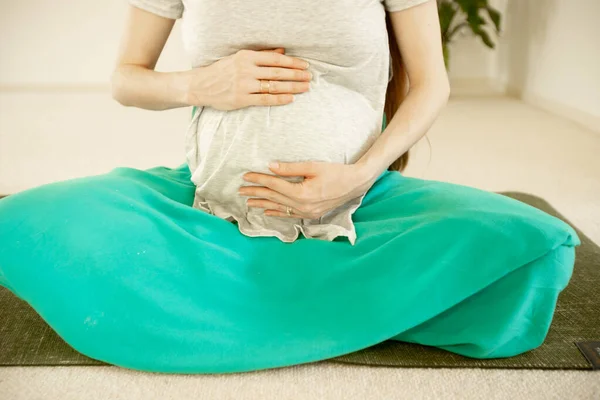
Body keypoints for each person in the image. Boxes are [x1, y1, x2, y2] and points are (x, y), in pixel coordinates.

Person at [0, 0, 580, 374]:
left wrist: (360, 173)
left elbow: (432, 84)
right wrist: (201, 83)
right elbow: (127, 80)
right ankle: (324, 298)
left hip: (359, 206)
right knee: (24, 222)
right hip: (209, 208)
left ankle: (232, 301)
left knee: (531, 244)